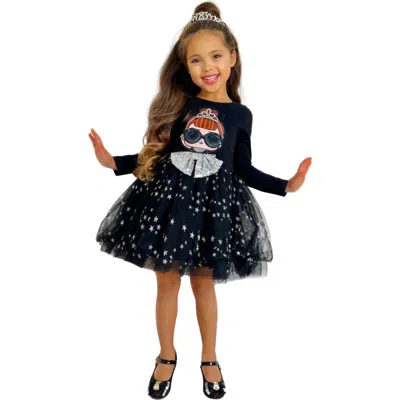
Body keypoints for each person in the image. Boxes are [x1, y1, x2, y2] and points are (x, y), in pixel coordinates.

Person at [88, 2, 312, 398]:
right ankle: (166, 355)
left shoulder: (240, 115)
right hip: (170, 206)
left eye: (215, 56)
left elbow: (243, 168)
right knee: (167, 284)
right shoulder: (180, 104)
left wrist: (286, 185)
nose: (207, 66)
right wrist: (113, 163)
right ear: (186, 67)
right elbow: (157, 154)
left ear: (233, 58)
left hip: (212, 210)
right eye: (196, 60)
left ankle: (209, 357)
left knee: (204, 287)